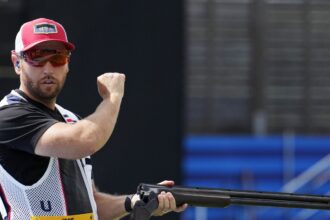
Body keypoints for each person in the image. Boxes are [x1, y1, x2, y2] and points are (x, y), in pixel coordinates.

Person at [0, 18, 187, 220]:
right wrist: (112, 97)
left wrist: (137, 201)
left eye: (58, 58)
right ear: (17, 62)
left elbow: (93, 204)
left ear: (67, 63)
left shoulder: (70, 120)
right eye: (36, 56)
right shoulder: (9, 115)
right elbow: (85, 140)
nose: (47, 68)